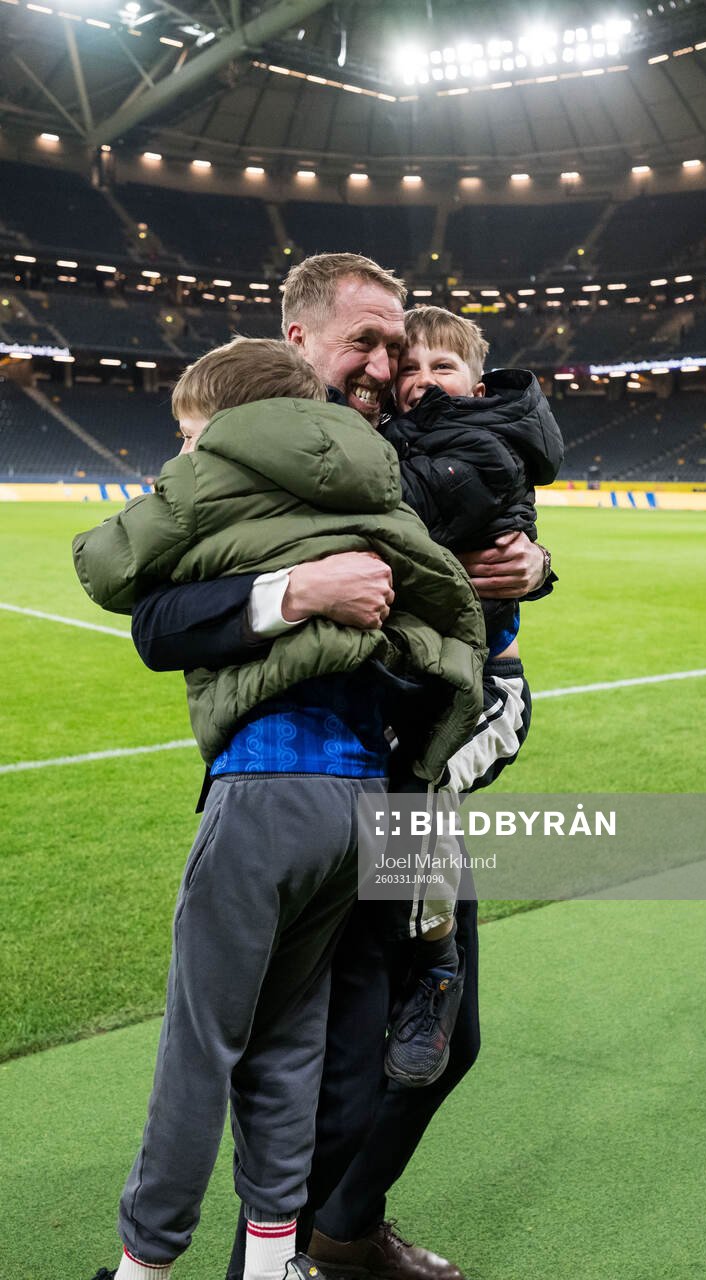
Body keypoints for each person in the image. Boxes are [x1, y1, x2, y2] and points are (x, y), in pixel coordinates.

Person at [127, 254, 552, 1280]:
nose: (383, 362)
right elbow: (158, 616)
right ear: (299, 341)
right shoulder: (249, 440)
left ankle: (343, 1231)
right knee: (316, 1072)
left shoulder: (403, 440)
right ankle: (274, 1257)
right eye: (362, 341)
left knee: (443, 1042)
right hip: (299, 787)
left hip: (407, 798)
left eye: (394, 345)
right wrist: (297, 589)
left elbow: (478, 526)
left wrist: (534, 566)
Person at [377, 305, 563, 1089]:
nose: (422, 384)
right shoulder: (402, 439)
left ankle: (437, 964)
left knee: (419, 787)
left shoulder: (477, 445)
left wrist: (538, 564)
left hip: (484, 687)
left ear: (475, 383)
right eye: (407, 370)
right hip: (421, 682)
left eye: (441, 368)